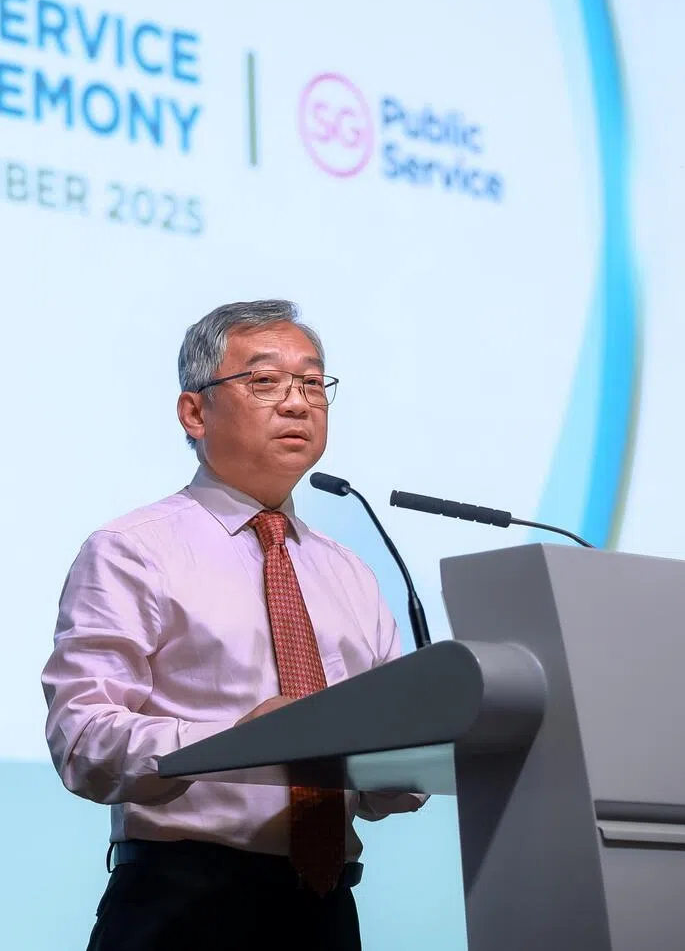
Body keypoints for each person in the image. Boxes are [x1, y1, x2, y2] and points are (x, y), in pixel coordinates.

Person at [42, 300, 424, 951]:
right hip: (185, 906)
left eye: (312, 382)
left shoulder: (350, 575)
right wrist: (231, 743)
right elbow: (83, 741)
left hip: (328, 914)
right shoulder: (135, 550)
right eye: (266, 381)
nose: (298, 402)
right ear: (195, 411)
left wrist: (415, 751)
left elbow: (396, 777)